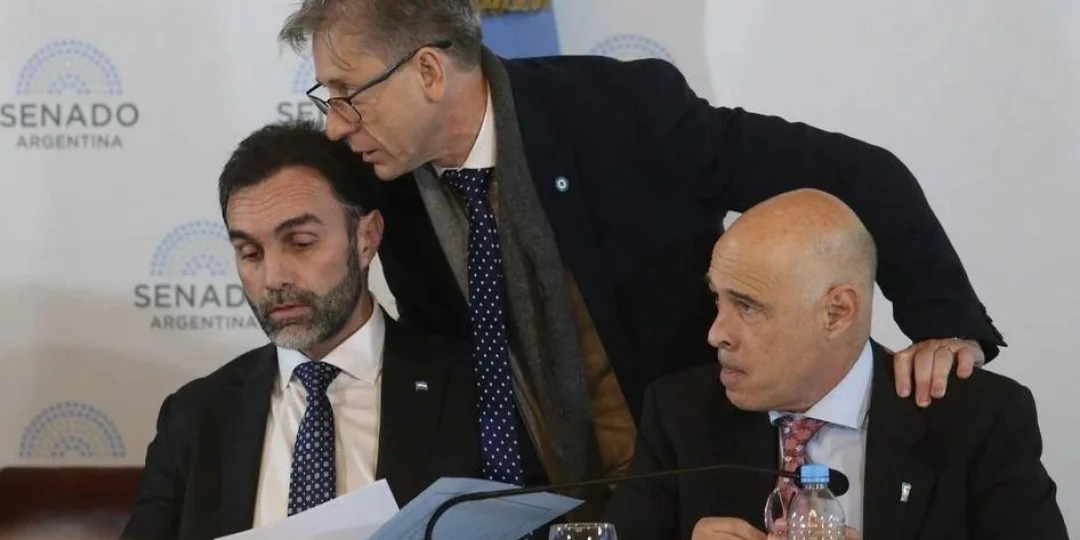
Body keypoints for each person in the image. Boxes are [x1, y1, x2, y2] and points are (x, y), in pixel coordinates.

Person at [276, 0, 1005, 507]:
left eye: (348, 94)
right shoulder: (382, 180)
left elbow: (856, 175)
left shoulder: (619, 112)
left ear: (430, 72)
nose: (336, 125)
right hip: (517, 506)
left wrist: (943, 321)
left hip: (693, 490)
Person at [602, 189, 1066, 540]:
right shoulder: (681, 412)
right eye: (717, 300)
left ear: (837, 312)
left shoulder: (976, 419)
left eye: (747, 306)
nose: (716, 332)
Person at [121, 121, 480, 540]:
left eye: (301, 242)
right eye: (250, 253)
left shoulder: (467, 391)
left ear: (366, 238)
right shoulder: (195, 417)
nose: (273, 277)